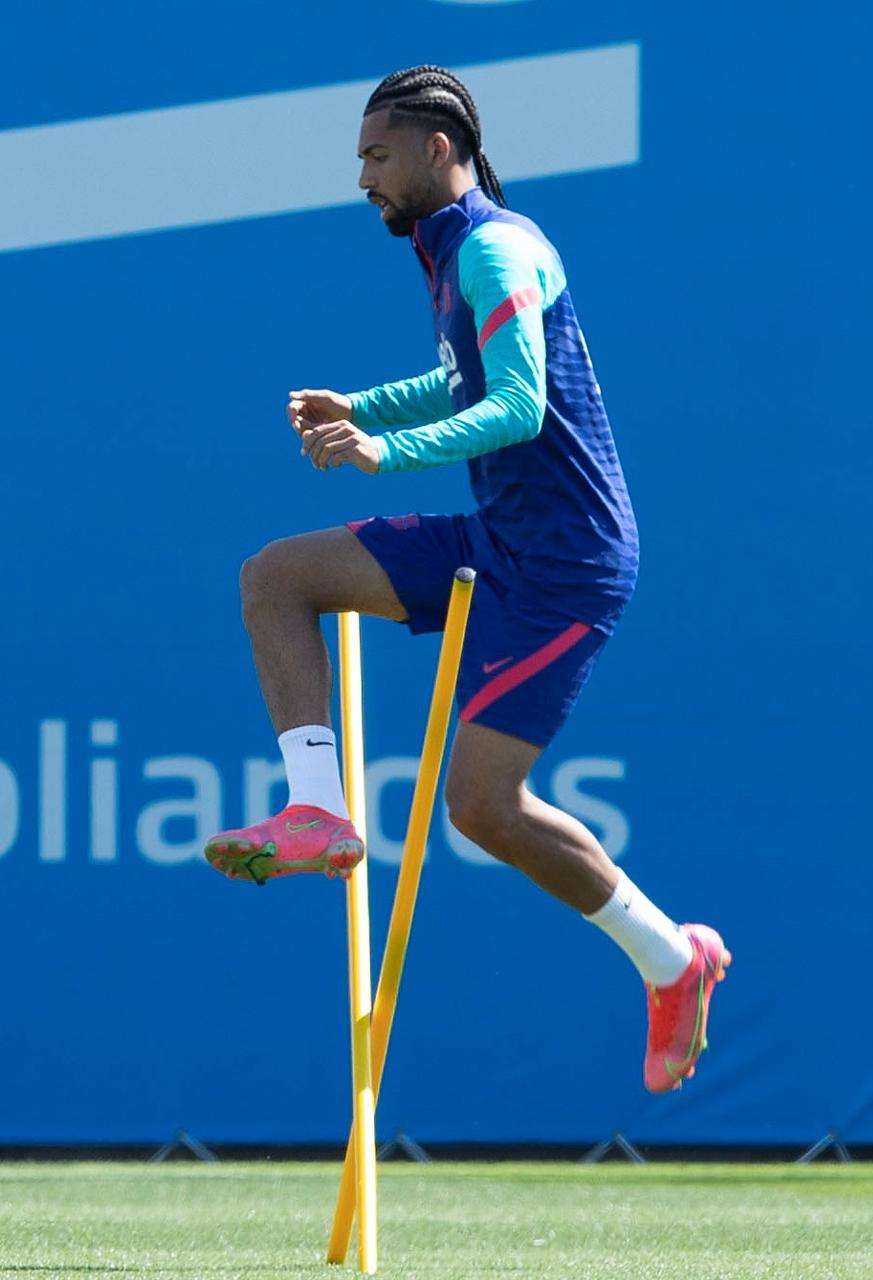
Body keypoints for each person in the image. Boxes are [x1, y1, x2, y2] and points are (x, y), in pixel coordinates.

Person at [201, 68, 730, 1094]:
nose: (362, 178)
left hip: (569, 563)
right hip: (500, 537)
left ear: (438, 149)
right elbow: (458, 384)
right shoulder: (452, 253)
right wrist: (361, 404)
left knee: (483, 808)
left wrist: (381, 451)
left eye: (375, 155)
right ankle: (317, 811)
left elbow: (520, 405)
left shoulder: (494, 247)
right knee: (276, 578)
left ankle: (673, 959)